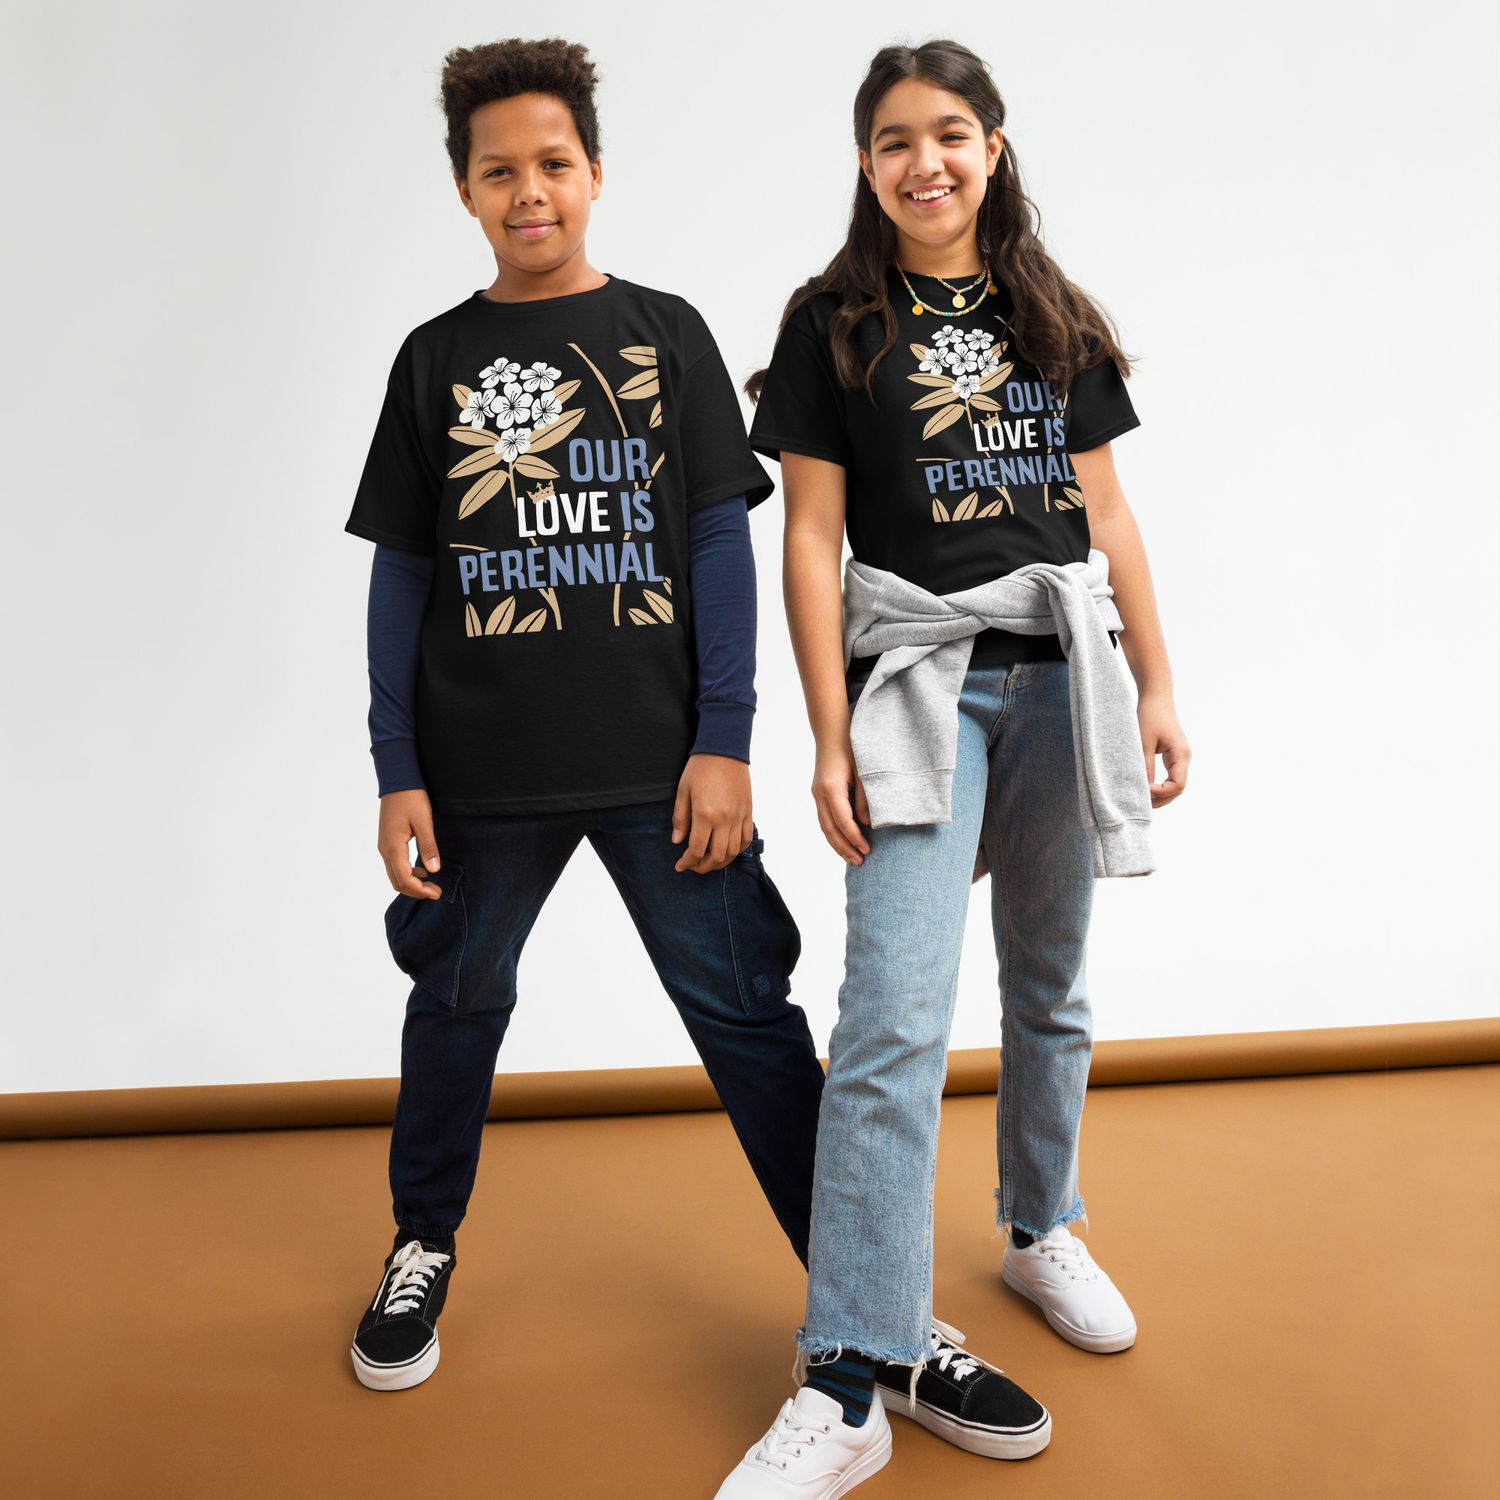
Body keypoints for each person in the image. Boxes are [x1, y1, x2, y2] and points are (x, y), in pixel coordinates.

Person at [341, 40, 1042, 1455]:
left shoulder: (662, 334)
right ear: (465, 192)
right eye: (499, 171)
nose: (528, 190)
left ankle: (879, 1320)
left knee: (757, 1038)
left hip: (671, 781)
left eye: (552, 164)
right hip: (480, 780)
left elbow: (726, 551)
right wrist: (395, 766)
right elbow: (402, 576)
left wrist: (725, 743)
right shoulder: (435, 361)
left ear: (593, 175)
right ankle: (424, 1241)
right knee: (458, 1008)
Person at [715, 37, 1191, 1497]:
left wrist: (1160, 682)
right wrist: (822, 731)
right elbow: (807, 540)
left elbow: (1106, 519)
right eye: (892, 142)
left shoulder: (1056, 314)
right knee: (892, 1021)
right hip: (923, 685)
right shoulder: (833, 323)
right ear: (865, 166)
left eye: (950, 133)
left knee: (1049, 979)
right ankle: (851, 1374)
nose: (924, 162)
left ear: (993, 145)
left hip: (1067, 682)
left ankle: (1043, 1226)